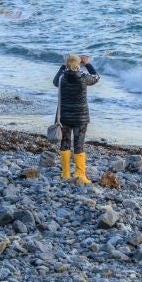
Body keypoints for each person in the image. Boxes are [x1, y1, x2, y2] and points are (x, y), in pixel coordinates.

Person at [52, 54, 100, 184]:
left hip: (64, 117)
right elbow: (96, 77)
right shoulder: (83, 77)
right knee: (79, 144)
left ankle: (66, 173)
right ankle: (80, 174)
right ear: (79, 64)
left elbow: (54, 82)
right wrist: (88, 64)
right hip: (80, 117)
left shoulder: (62, 77)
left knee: (65, 143)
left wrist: (63, 65)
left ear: (67, 64)